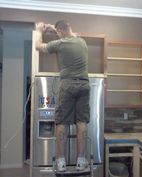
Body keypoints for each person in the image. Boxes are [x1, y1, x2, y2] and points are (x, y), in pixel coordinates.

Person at [35, 20, 90, 172]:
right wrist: (56, 28)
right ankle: (81, 161)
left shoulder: (60, 43)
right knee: (82, 121)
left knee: (62, 122)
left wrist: (40, 30)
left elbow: (38, 46)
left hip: (68, 85)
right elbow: (69, 31)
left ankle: (61, 162)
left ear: (60, 32)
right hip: (85, 85)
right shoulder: (82, 42)